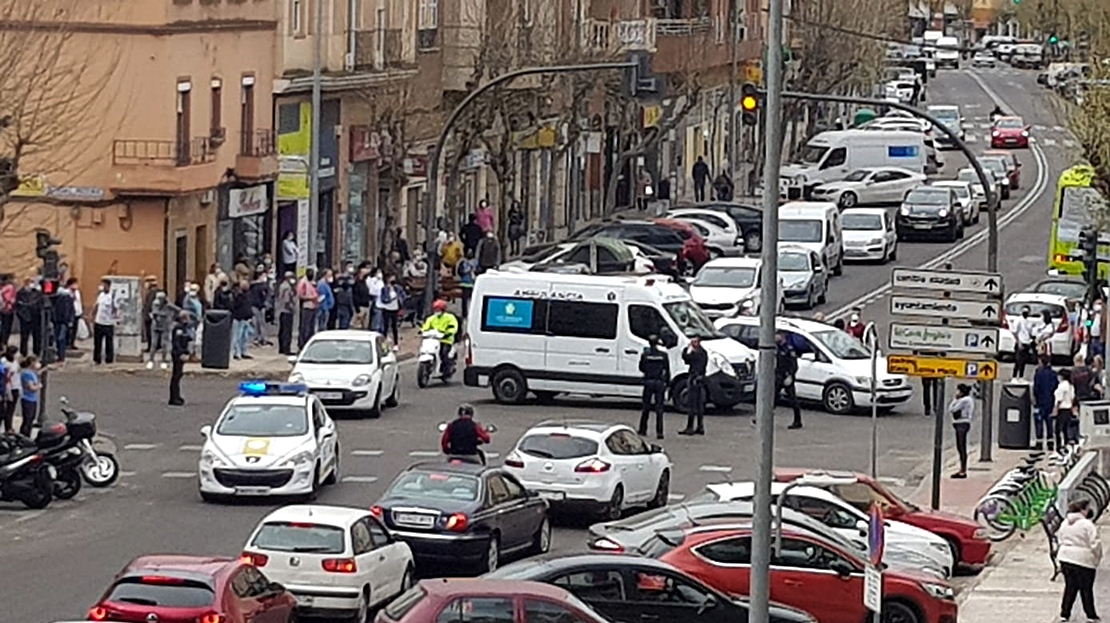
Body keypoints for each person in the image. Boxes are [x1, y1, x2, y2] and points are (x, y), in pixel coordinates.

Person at [1057, 499, 1102, 623]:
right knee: (1086, 589)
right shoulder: (1087, 525)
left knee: (1070, 587)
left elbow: (1060, 538)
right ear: (1083, 510)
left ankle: (1064, 613)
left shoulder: (1065, 523)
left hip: (1065, 557)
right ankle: (1090, 615)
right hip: (1083, 559)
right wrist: (1097, 558)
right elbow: (1095, 543)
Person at [638, 335, 670, 439]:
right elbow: (667, 369)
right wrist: (667, 383)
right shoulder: (663, 355)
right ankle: (659, 432)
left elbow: (641, 367)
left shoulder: (645, 355)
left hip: (648, 381)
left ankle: (643, 429)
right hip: (659, 382)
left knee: (646, 407)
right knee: (659, 409)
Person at [421, 299, 459, 376]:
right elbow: (426, 327)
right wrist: (423, 331)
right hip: (433, 339)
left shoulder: (450, 318)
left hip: (445, 340)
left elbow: (453, 327)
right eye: (436, 309)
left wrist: (448, 333)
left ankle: (446, 370)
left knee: (443, 353)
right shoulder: (431, 318)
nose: (437, 311)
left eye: (439, 309)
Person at [679, 337, 708, 435]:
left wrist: (687, 350)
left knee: (692, 404)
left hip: (695, 379)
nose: (693, 344)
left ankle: (690, 427)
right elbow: (687, 360)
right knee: (699, 405)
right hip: (699, 379)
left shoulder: (699, 353)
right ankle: (700, 427)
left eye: (695, 342)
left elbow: (687, 358)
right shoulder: (703, 352)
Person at [775, 331, 803, 429]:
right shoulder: (778, 347)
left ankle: (797, 421)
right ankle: (763, 418)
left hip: (786, 377)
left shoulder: (789, 348)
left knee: (792, 399)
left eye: (777, 335)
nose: (775, 337)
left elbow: (794, 365)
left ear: (782, 336)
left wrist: (790, 376)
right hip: (778, 376)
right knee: (772, 398)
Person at [948, 383, 974, 478]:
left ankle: (963, 470)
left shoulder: (965, 400)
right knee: (960, 446)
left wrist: (955, 399)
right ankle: (962, 468)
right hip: (960, 424)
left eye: (958, 390)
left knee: (961, 447)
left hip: (962, 424)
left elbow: (952, 409)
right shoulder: (965, 400)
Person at [1033, 355, 1059, 449]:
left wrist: (1035, 399)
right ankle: (1050, 443)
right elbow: (1056, 387)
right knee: (1049, 423)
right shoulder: (1053, 374)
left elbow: (1036, 388)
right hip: (1051, 401)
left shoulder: (1038, 374)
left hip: (1040, 402)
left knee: (1039, 422)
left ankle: (1039, 443)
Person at [92, 279, 118, 365]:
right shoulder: (101, 295)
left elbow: (115, 309)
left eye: (105, 285)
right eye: (103, 285)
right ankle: (97, 359)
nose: (104, 287)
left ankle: (109, 359)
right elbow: (96, 305)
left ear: (109, 286)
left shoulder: (112, 296)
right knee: (97, 342)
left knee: (109, 342)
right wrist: (92, 316)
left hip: (108, 323)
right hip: (99, 322)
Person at [15, 277, 44, 356]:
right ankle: (23, 352)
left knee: (37, 335)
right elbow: (18, 306)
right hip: (25, 318)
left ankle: (37, 351)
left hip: (36, 317)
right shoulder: (20, 293)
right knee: (24, 336)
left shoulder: (37, 293)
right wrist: (22, 316)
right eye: (30, 282)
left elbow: (40, 304)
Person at [169, 311, 192, 406]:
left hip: (180, 353)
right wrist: (181, 353)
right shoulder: (179, 328)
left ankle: (176, 396)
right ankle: (174, 397)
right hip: (177, 354)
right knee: (176, 376)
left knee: (179, 375)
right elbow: (177, 342)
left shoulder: (183, 328)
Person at [1053, 367, 1077, 450]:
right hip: (1068, 409)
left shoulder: (1062, 386)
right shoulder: (1071, 386)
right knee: (1066, 429)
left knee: (1058, 430)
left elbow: (1059, 399)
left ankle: (1059, 446)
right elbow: (1072, 398)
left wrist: (1055, 409)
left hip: (1062, 409)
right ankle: (1067, 445)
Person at [147, 291, 172, 369]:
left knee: (164, 344)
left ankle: (164, 360)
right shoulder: (155, 304)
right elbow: (154, 313)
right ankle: (151, 360)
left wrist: (171, 318)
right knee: (153, 344)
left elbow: (176, 310)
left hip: (165, 326)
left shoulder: (168, 305)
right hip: (156, 326)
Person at [296, 268, 320, 349]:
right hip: (307, 307)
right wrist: (311, 298)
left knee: (311, 327)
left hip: (314, 306)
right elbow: (300, 295)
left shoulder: (312, 282)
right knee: (305, 327)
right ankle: (302, 343)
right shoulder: (303, 283)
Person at [52, 283, 75, 364]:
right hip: (59, 321)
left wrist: (69, 320)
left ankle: (61, 356)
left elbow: (70, 311)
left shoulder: (67, 299)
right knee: (58, 339)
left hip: (63, 322)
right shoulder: (58, 299)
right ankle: (60, 355)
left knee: (61, 339)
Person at [230, 280, 254, 360]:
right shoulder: (238, 296)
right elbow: (234, 306)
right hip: (238, 318)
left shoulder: (248, 295)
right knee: (237, 336)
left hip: (246, 318)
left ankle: (243, 351)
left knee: (245, 336)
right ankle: (236, 353)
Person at [18, 355, 40, 437]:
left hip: (33, 399)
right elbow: (31, 387)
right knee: (27, 420)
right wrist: (39, 386)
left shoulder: (32, 373)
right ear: (32, 363)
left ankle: (28, 435)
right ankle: (24, 436)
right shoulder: (26, 374)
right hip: (27, 399)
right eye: (36, 362)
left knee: (31, 419)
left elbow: (38, 372)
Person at [377, 274, 403, 344]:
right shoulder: (384, 289)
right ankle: (384, 340)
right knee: (386, 325)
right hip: (387, 309)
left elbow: (403, 295)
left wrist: (400, 300)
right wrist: (391, 299)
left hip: (395, 309)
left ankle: (396, 342)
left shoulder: (398, 288)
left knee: (394, 326)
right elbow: (384, 299)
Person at [275, 272, 296, 355]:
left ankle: (281, 348)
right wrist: (291, 308)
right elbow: (287, 300)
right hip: (286, 311)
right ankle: (286, 348)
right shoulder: (287, 287)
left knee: (282, 330)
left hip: (281, 310)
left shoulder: (282, 285)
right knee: (287, 331)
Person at [1012, 305, 1036, 377]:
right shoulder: (1018, 320)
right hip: (1020, 342)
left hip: (1027, 342)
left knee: (1024, 362)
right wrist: (1018, 342)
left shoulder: (1028, 321)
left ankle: (1021, 376)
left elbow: (1030, 332)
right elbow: (1014, 332)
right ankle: (1014, 376)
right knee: (1018, 361)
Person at [0, 346, 17, 433]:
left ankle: (8, 426)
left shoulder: (3, 362)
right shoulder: (4, 363)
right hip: (7, 387)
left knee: (5, 410)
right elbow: (6, 377)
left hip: (7, 388)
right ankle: (8, 427)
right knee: (5, 410)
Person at [457, 250, 478, 318]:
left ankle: (472, 313)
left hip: (473, 283)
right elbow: (460, 271)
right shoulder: (463, 262)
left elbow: (479, 270)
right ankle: (465, 313)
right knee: (465, 300)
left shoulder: (475, 262)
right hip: (465, 283)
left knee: (473, 300)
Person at [0, 275, 15, 348]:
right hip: (7, 309)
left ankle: (2, 342)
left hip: (1, 309)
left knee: (2, 326)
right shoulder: (10, 288)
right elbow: (10, 299)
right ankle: (4, 343)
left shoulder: (1, 288)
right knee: (7, 327)